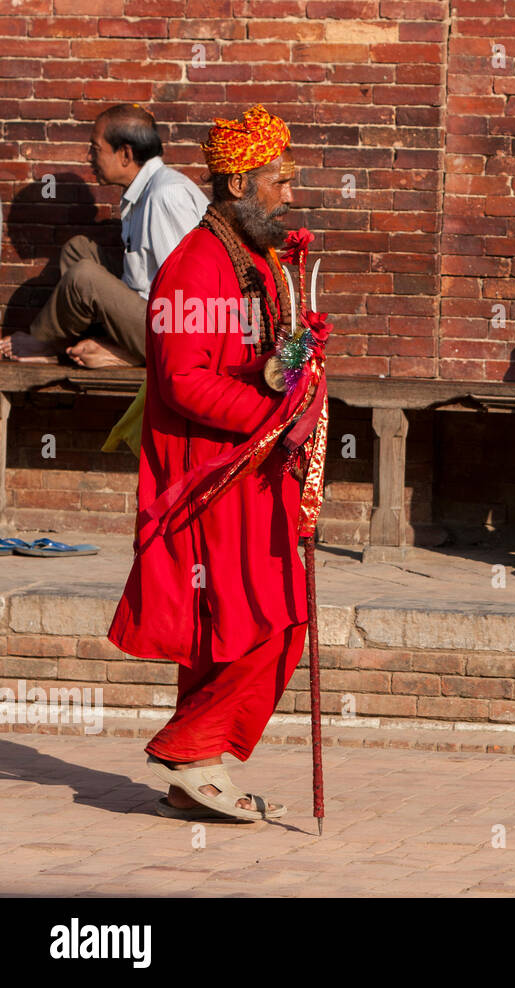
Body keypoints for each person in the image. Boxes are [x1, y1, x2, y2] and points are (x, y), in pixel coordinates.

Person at [107, 105, 309, 821]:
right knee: (272, 617)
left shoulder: (252, 258)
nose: (288, 193)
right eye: (278, 180)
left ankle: (195, 771)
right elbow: (183, 381)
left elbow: (254, 365)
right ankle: (189, 747)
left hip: (248, 468)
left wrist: (296, 355)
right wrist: (271, 414)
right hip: (210, 475)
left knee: (224, 625)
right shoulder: (195, 264)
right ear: (241, 182)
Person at [0, 104, 208, 367]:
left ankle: (52, 345)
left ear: (125, 154)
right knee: (79, 250)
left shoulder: (166, 195)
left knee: (84, 277)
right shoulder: (142, 190)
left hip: (177, 336)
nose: (89, 157)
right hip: (151, 316)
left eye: (95, 149)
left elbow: (191, 296)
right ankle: (86, 343)